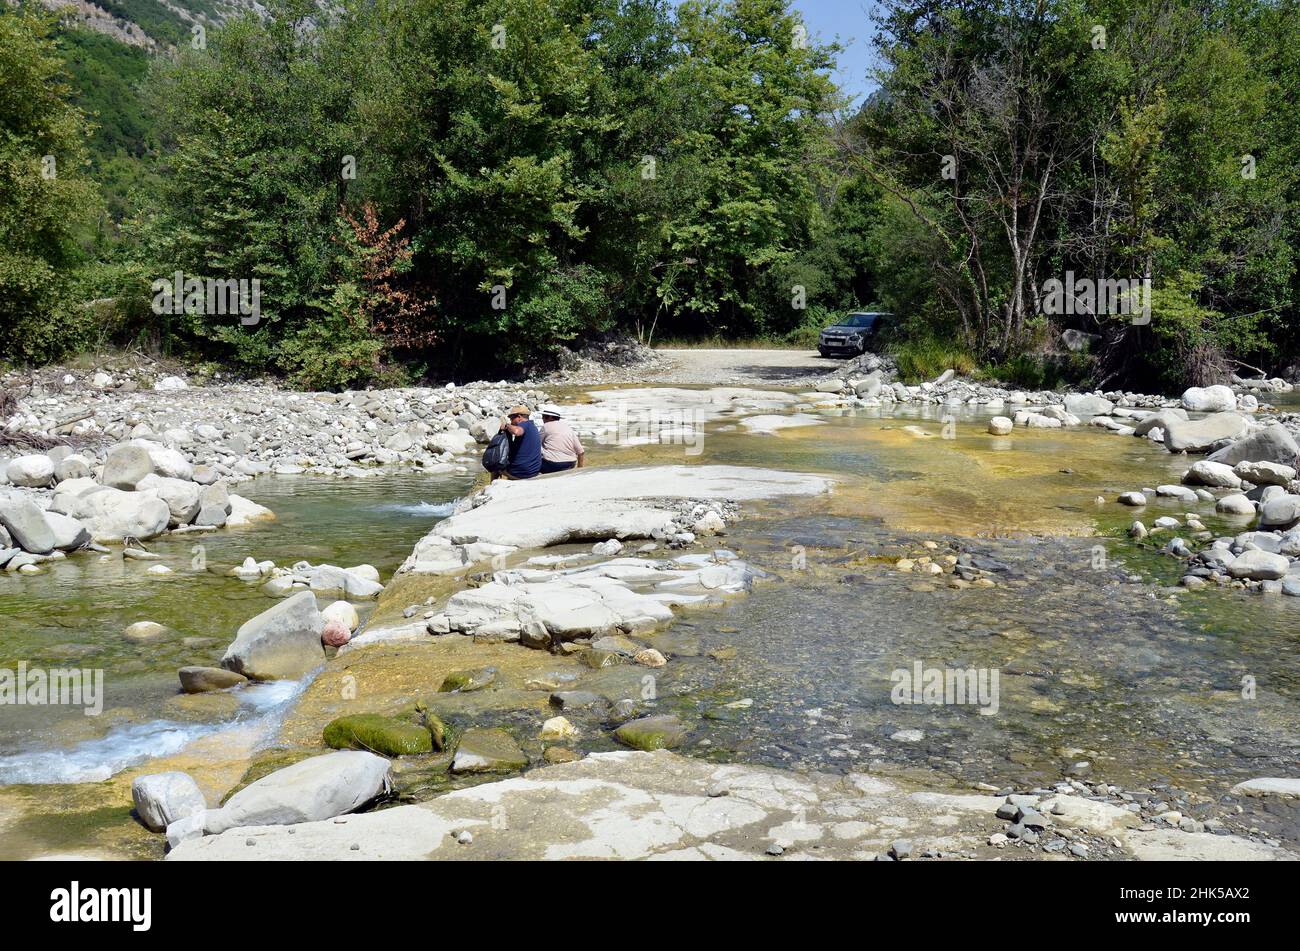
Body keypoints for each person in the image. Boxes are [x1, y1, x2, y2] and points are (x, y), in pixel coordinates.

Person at [492, 405, 542, 480]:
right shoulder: (533, 427)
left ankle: (493, 486)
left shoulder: (524, 424)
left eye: (512, 418)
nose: (511, 421)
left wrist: (507, 425)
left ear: (519, 417)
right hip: (533, 471)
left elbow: (517, 431)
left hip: (520, 473)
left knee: (494, 466)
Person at [538, 405, 585, 473]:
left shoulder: (546, 426)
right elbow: (581, 452)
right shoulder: (568, 428)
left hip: (552, 464)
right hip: (570, 463)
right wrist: (579, 470)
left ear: (550, 417)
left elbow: (535, 444)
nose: (542, 419)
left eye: (544, 416)